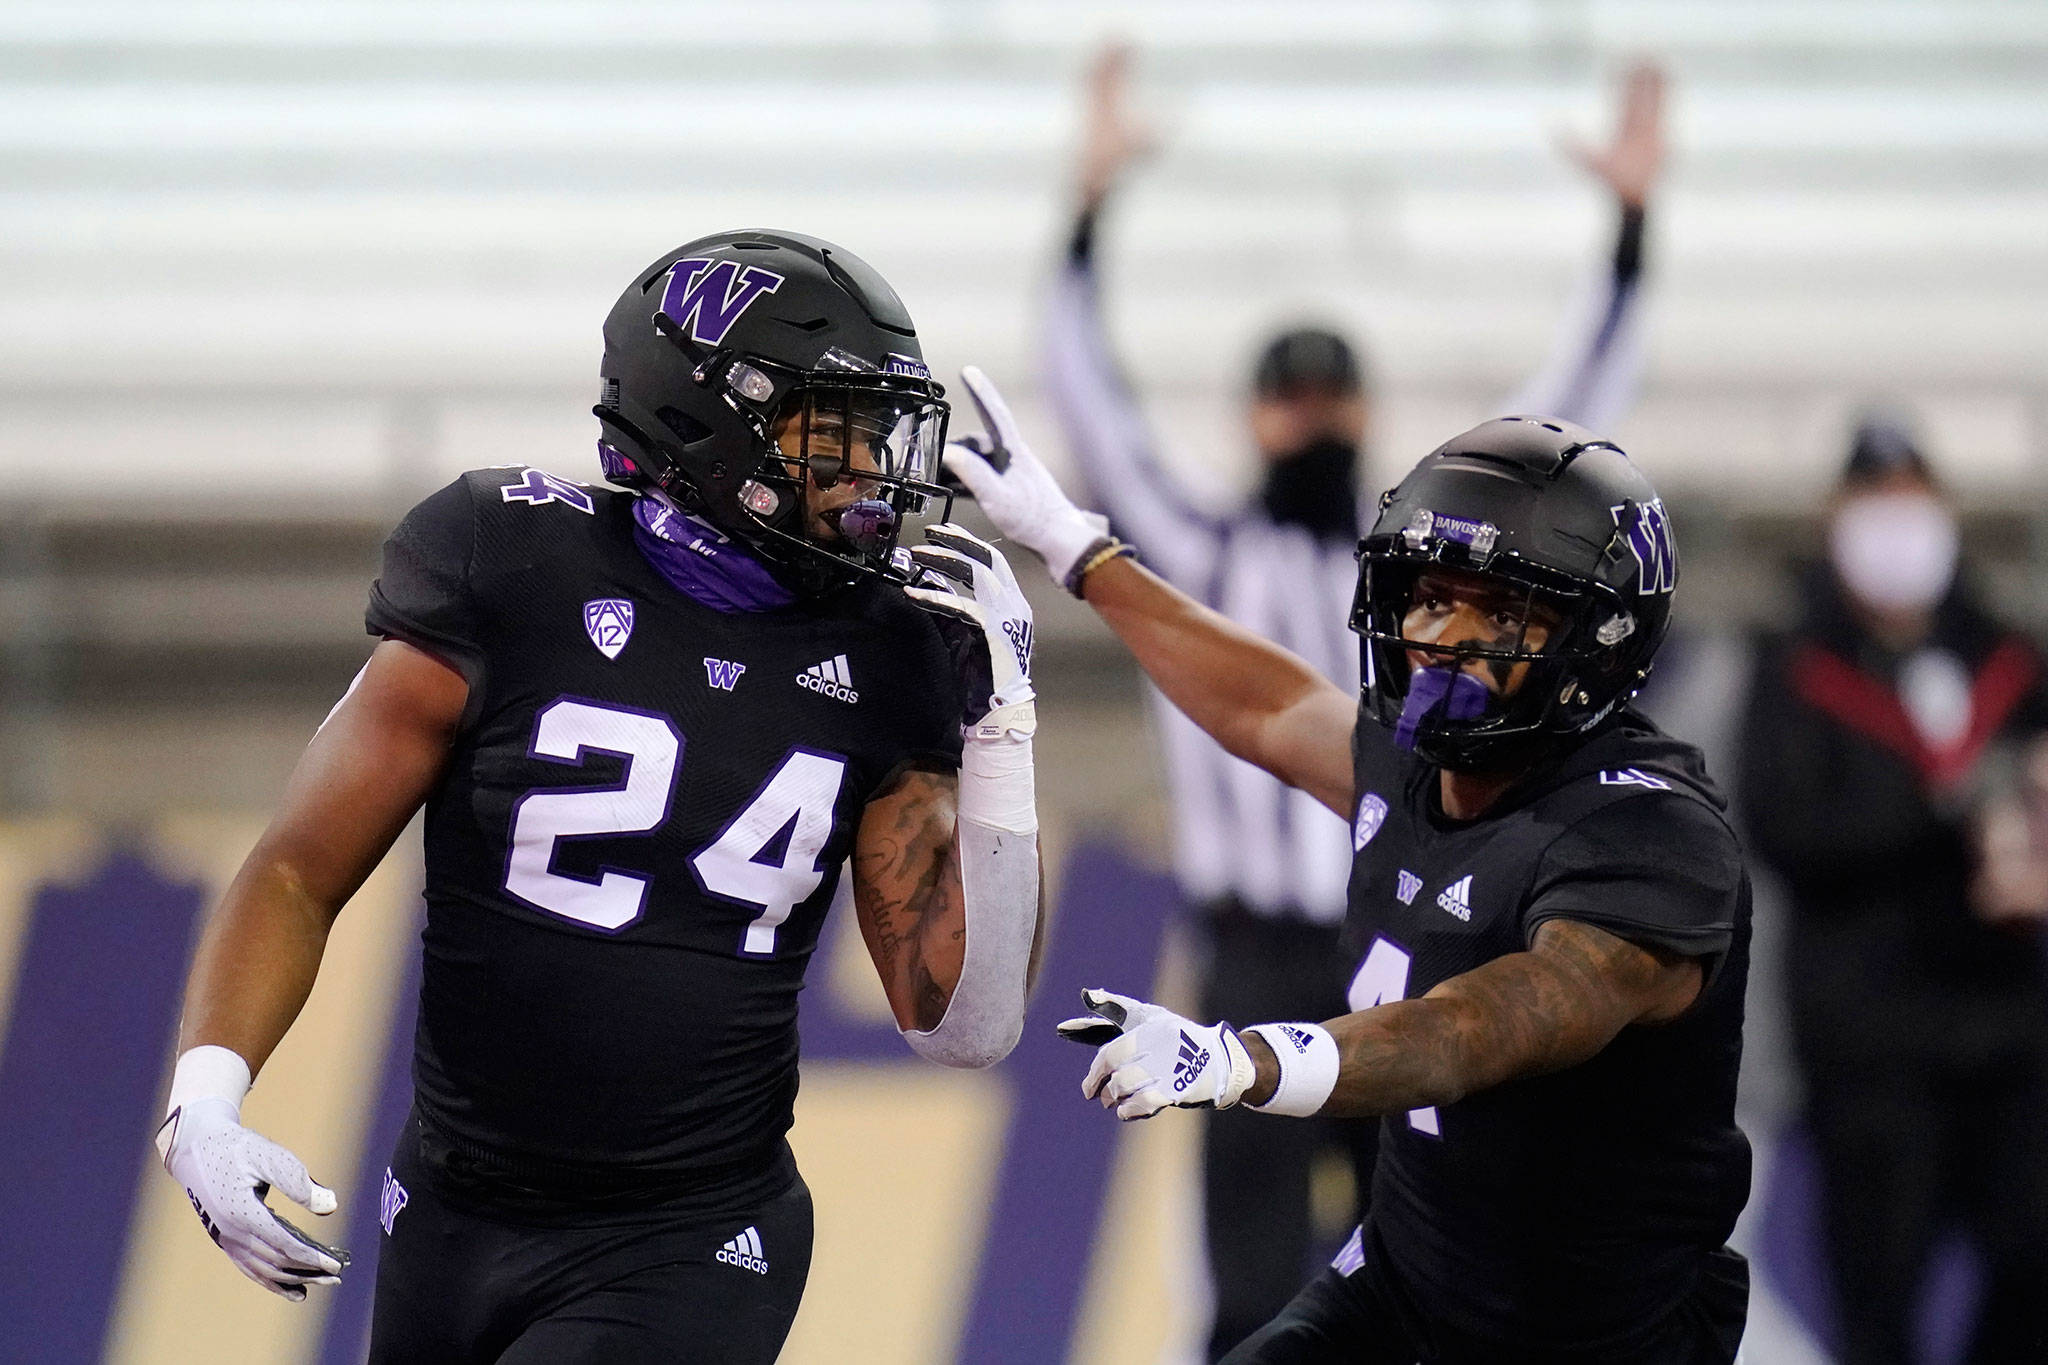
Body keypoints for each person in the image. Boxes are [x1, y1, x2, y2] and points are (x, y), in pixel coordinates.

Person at [150, 230, 1045, 1364]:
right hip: (453, 1204)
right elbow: (295, 869)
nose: (869, 474)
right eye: (833, 431)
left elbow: (968, 1026)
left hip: (689, 1236)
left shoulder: (892, 650)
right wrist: (206, 1102)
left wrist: (1002, 736)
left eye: (873, 435)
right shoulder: (508, 563)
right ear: (707, 419)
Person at [1043, 49, 1669, 1358]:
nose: (1312, 417)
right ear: (1255, 415)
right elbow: (1094, 413)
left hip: (1405, 926)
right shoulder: (1200, 556)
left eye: (1331, 394)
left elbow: (1573, 429)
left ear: (1366, 410)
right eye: (1292, 395)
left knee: (1435, 1259)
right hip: (1255, 945)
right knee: (1255, 1278)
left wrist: (1627, 235)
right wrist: (1086, 212)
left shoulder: (1435, 569)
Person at [946, 377, 1750, 1362]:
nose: (1438, 639)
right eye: (1427, 597)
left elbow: (1467, 1032)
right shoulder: (1428, 761)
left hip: (1586, 1335)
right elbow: (1270, 709)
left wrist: (1246, 1061)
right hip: (1404, 1284)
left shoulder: (1646, 835)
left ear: (1594, 638)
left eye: (1494, 611)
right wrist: (1078, 549)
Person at [1737, 414, 2048, 1363]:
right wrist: (1937, 812)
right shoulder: (1798, 666)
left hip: (2009, 1022)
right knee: (1880, 1293)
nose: (1897, 527)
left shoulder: (2010, 656)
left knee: (2032, 1261)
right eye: (1874, 505)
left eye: (1912, 501)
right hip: (1872, 1040)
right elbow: (1787, 828)